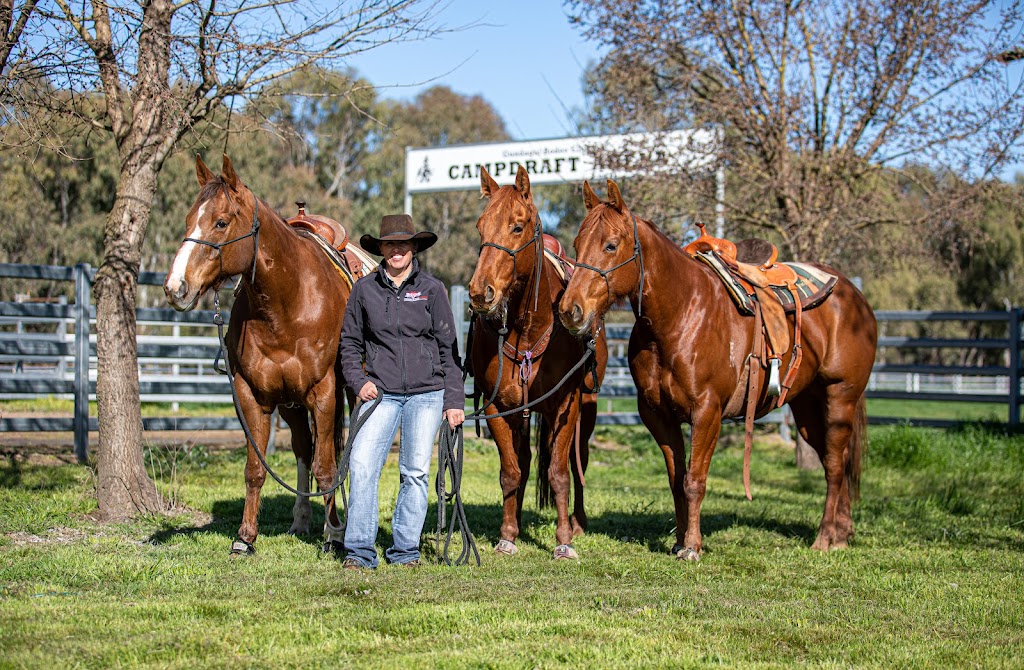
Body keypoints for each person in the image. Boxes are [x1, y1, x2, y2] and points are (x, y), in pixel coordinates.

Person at [339, 214, 466, 569]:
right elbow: (349, 344)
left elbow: (449, 350)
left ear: (413, 248)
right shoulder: (364, 290)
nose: (396, 250)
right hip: (379, 393)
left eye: (403, 244)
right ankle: (360, 550)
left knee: (415, 471)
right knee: (362, 465)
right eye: (390, 244)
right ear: (381, 249)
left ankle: (405, 550)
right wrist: (358, 381)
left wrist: (454, 400)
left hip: (428, 394)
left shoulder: (432, 289)